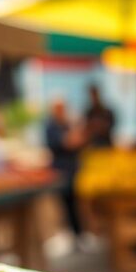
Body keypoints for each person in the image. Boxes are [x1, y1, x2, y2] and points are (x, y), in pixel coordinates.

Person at [45, 97, 85, 236]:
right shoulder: (51, 126)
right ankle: (68, 233)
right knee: (64, 203)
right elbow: (67, 143)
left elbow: (78, 142)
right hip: (60, 170)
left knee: (74, 204)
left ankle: (77, 233)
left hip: (72, 169)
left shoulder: (66, 124)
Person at [83, 84, 115, 148]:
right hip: (93, 145)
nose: (93, 97)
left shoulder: (107, 112)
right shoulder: (89, 112)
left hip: (106, 145)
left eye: (94, 94)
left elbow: (110, 126)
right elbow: (87, 128)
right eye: (92, 95)